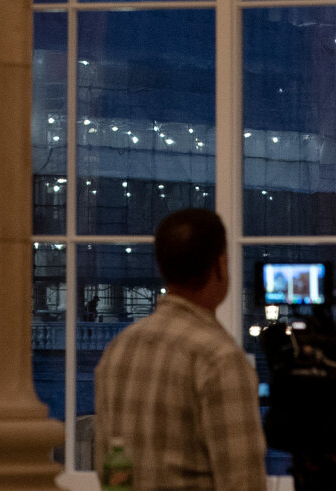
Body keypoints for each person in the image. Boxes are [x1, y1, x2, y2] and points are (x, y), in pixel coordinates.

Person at [92, 208, 265, 491]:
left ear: (162, 267)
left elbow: (106, 467)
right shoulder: (219, 359)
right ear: (220, 266)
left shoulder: (118, 350)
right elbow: (243, 481)